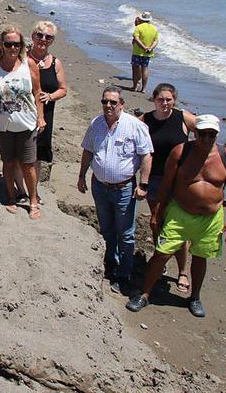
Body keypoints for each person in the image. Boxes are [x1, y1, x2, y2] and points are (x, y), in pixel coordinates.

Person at [126, 115, 226, 318]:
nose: (206, 139)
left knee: (201, 257)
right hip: (180, 213)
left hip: (211, 218)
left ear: (217, 135)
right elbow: (166, 186)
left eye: (211, 135)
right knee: (161, 254)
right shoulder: (181, 152)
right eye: (203, 134)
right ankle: (144, 294)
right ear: (195, 133)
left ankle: (194, 297)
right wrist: (157, 215)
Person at [77, 86, 153, 294]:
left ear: (121, 104)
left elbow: (146, 156)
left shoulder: (134, 126)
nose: (108, 106)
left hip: (124, 189)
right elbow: (88, 150)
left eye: (113, 102)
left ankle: (124, 273)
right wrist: (81, 175)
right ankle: (110, 263)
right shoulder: (96, 124)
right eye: (105, 102)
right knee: (107, 228)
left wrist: (143, 184)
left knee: (126, 233)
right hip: (99, 186)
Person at [0, 28, 45, 218]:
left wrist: (40, 117)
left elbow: (37, 92)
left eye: (17, 44)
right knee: (8, 163)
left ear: (22, 46)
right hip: (3, 125)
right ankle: (10, 197)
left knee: (28, 164)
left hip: (26, 124)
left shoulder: (30, 64)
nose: (13, 48)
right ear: (2, 45)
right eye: (8, 44)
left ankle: (33, 200)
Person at [140, 83, 197, 294]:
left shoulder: (183, 118)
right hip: (154, 179)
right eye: (160, 99)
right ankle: (160, 258)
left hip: (179, 182)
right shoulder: (145, 120)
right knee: (157, 222)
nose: (164, 103)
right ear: (153, 99)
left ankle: (183, 271)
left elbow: (205, 134)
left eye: (168, 99)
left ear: (174, 100)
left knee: (177, 226)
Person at [28, 21, 67, 182]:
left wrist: (50, 97)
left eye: (48, 37)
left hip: (45, 115)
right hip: (23, 111)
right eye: (39, 35)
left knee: (37, 154)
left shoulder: (55, 63)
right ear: (33, 37)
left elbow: (63, 89)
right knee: (19, 153)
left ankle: (33, 190)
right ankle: (19, 190)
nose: (43, 39)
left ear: (52, 41)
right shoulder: (21, 57)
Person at [131, 11, 158, 93]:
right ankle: (144, 88)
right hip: (148, 53)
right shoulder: (154, 28)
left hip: (137, 52)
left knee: (135, 69)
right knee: (145, 69)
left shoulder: (138, 27)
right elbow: (156, 41)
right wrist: (150, 48)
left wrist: (143, 47)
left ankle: (135, 87)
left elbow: (136, 38)